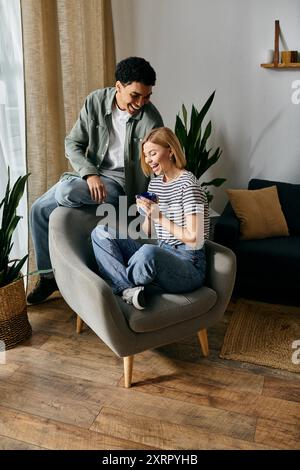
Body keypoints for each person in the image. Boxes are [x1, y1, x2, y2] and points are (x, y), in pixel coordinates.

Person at [27, 57, 163, 304]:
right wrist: (90, 174)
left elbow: (156, 166)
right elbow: (73, 143)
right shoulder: (95, 101)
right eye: (135, 96)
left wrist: (152, 209)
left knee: (66, 191)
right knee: (38, 209)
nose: (140, 103)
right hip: (91, 173)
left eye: (147, 96)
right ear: (118, 87)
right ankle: (48, 278)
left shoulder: (151, 118)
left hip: (122, 184)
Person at [91, 127, 209, 310]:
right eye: (146, 155)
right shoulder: (155, 183)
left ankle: (115, 280)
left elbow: (195, 237)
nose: (148, 160)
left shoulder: (189, 185)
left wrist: (159, 216)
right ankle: (128, 289)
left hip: (189, 265)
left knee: (148, 252)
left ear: (170, 150)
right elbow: (149, 232)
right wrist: (146, 213)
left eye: (153, 153)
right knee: (101, 232)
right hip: (162, 252)